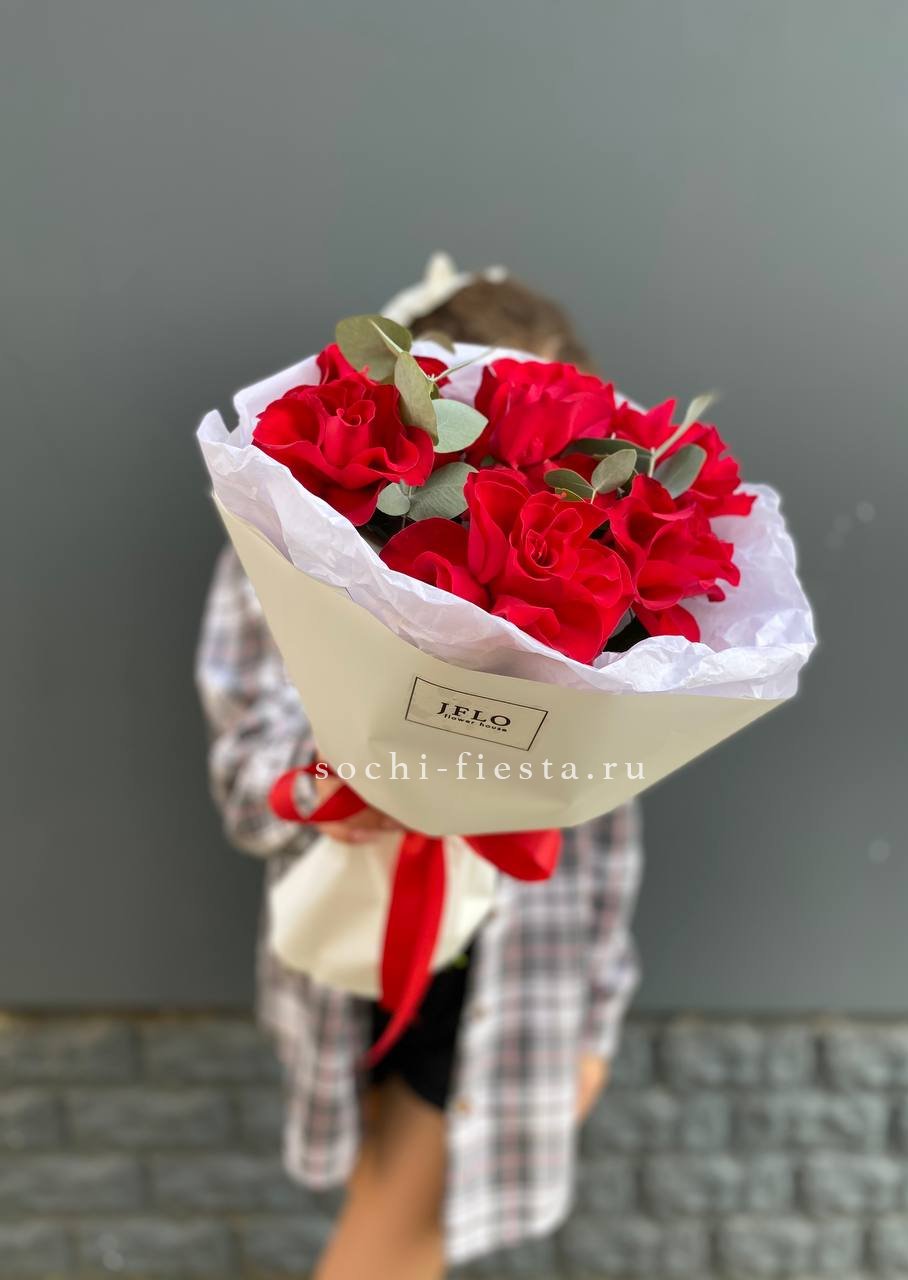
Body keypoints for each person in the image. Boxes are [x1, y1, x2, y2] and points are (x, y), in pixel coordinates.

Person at [196, 259, 644, 1280]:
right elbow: (247, 781)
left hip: (516, 972)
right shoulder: (294, 542)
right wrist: (343, 779)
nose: (523, 469)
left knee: (392, 1244)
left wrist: (596, 1021)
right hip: (349, 962)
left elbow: (607, 814)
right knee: (394, 1240)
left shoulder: (596, 574)